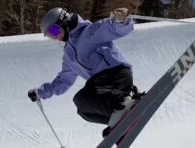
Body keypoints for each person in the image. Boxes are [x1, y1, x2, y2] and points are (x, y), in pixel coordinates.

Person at [28, 7, 143, 139]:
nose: (55, 37)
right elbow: (63, 80)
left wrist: (121, 20)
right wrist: (40, 92)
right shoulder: (69, 56)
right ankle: (121, 123)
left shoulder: (88, 32)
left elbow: (111, 28)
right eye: (50, 36)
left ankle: (125, 104)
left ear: (63, 21)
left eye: (54, 31)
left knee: (83, 98)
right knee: (83, 110)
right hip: (102, 85)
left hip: (116, 74)